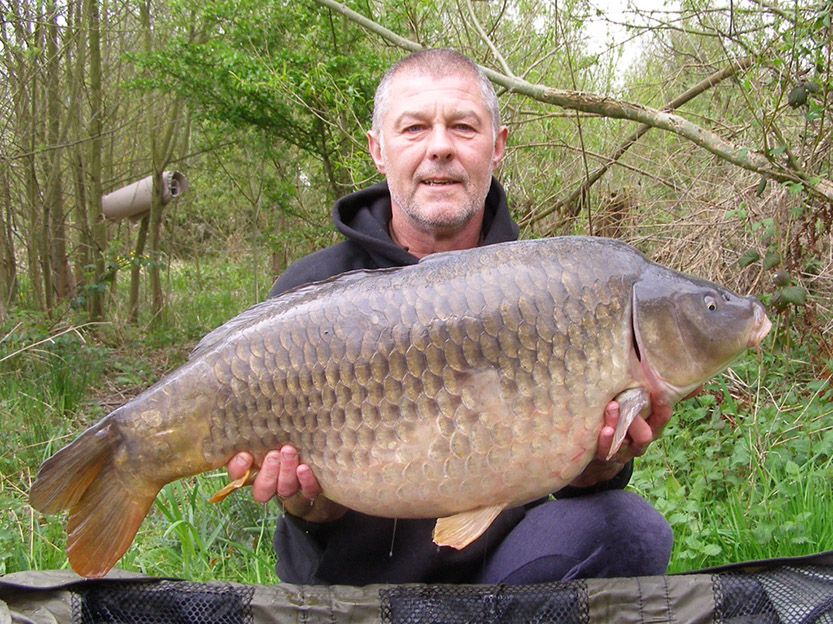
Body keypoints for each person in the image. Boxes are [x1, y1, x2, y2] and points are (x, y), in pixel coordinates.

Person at [227, 49, 673, 585]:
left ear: (497, 146)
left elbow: (577, 480)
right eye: (414, 128)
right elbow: (304, 519)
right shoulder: (306, 296)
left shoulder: (549, 290)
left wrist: (601, 464)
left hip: (501, 573)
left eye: (463, 127)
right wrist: (309, 507)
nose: (440, 147)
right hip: (352, 593)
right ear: (378, 150)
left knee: (632, 529)